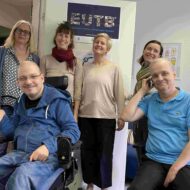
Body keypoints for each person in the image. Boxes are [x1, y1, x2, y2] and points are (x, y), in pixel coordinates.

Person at [0, 61, 80, 190]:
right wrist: (2, 118)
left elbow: (73, 131)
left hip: (48, 158)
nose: (28, 81)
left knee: (21, 175)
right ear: (18, 83)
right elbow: (12, 132)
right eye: (23, 78)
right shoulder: (20, 102)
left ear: (42, 78)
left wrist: (48, 147)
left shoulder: (57, 101)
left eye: (33, 76)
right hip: (19, 154)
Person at [120, 58, 190, 190]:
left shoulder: (187, 101)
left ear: (173, 75)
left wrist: (174, 169)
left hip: (181, 162)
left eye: (164, 73)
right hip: (154, 161)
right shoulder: (149, 100)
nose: (160, 78)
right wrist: (142, 91)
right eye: (155, 75)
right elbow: (126, 116)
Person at [78, 33, 125, 190]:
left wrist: (121, 116)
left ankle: (103, 186)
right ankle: (89, 184)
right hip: (85, 116)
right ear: (93, 45)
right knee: (87, 152)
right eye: (97, 42)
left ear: (107, 48)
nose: (99, 45)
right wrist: (75, 115)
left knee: (104, 153)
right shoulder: (84, 67)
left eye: (102, 43)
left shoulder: (114, 68)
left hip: (106, 117)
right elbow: (78, 92)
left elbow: (119, 93)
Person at [0, 19, 40, 156]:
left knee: (21, 146)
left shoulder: (34, 58)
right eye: (20, 30)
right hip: (5, 106)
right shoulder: (3, 53)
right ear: (14, 32)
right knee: (1, 144)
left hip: (25, 108)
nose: (23, 34)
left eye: (26, 32)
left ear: (30, 36)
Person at [40, 21, 82, 121]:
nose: (63, 38)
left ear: (70, 40)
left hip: (68, 107)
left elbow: (77, 91)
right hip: (48, 106)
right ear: (55, 37)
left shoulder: (76, 62)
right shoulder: (45, 59)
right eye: (60, 35)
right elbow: (40, 86)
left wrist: (75, 115)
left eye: (66, 36)